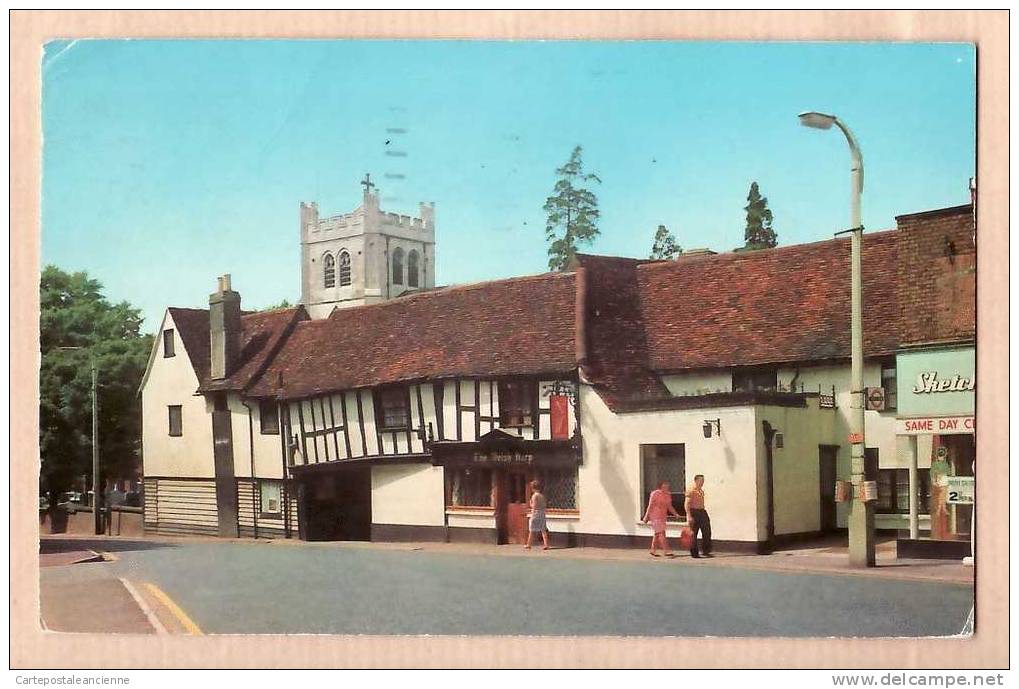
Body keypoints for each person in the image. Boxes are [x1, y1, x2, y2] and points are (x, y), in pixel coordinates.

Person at [642, 480, 680, 557]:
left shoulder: (668, 494)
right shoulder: (655, 493)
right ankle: (666, 550)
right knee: (661, 532)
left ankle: (653, 550)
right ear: (661, 486)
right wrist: (646, 516)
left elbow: (669, 506)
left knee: (657, 533)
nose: (666, 487)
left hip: (663, 516)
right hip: (655, 515)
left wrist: (675, 514)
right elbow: (650, 505)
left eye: (667, 486)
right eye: (665, 486)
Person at [685, 474, 713, 558]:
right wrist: (689, 516)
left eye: (703, 481)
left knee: (707, 531)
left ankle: (706, 550)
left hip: (702, 512)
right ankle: (694, 553)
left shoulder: (701, 491)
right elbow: (687, 504)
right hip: (694, 512)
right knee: (694, 533)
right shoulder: (691, 490)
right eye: (701, 481)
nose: (702, 482)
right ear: (696, 481)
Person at [525, 480, 549, 551]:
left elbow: (534, 506)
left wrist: (530, 505)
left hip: (536, 514)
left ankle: (528, 544)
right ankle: (546, 544)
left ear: (533, 488)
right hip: (542, 513)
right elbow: (544, 505)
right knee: (543, 529)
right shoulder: (542, 496)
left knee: (532, 529)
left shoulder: (534, 496)